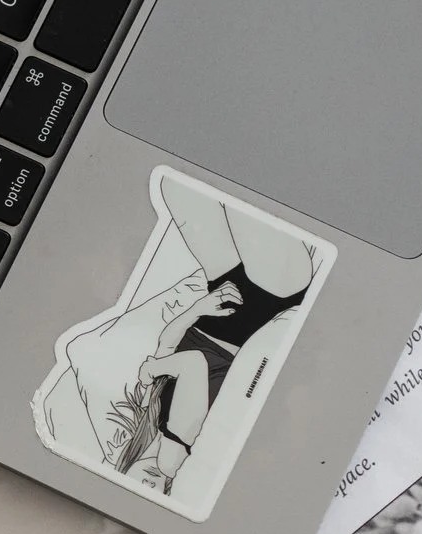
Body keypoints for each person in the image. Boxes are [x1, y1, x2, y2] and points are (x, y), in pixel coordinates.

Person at [132, 175, 314, 489]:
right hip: (264, 301)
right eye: (154, 492)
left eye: (135, 487)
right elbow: (192, 365)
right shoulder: (169, 460)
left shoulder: (152, 428)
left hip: (224, 295)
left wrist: (197, 309)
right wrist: (152, 370)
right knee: (236, 187)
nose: (147, 484)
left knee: (177, 183)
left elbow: (167, 344)